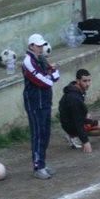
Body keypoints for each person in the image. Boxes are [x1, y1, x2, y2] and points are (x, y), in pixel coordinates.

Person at [58, 69, 100, 152]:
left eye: (89, 80)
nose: (88, 84)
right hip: (71, 124)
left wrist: (85, 115)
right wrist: (86, 142)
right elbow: (78, 122)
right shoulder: (74, 98)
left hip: (70, 121)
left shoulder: (75, 89)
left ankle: (74, 135)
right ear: (78, 81)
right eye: (84, 81)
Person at [21, 33, 60, 179]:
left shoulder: (42, 59)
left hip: (45, 100)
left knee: (46, 133)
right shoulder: (28, 62)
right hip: (34, 102)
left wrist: (50, 74)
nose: (41, 48)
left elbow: (56, 75)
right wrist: (49, 75)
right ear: (31, 46)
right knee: (38, 134)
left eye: (42, 45)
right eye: (38, 46)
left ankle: (42, 163)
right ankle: (38, 167)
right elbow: (44, 82)